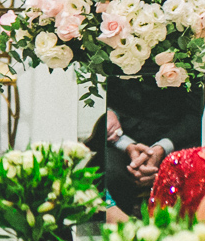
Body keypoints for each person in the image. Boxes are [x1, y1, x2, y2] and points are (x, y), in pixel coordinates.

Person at [87, 77, 204, 216]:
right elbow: (105, 97)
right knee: (109, 174)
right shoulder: (104, 57)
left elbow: (195, 113)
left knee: (187, 176)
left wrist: (160, 149)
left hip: (176, 139)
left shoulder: (189, 58)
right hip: (122, 137)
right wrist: (111, 114)